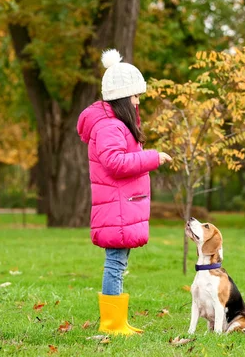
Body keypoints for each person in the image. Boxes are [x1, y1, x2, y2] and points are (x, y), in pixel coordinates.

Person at [77, 49, 172, 335]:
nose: (138, 101)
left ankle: (118, 321)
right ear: (122, 98)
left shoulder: (116, 124)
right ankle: (112, 324)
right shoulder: (109, 126)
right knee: (115, 263)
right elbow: (115, 162)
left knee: (119, 262)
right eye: (135, 96)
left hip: (121, 205)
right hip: (116, 207)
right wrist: (153, 158)